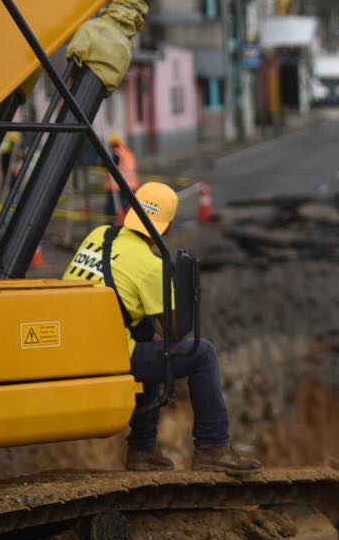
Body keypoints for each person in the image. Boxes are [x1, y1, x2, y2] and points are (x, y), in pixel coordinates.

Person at [63, 181, 261, 475]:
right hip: (107, 354)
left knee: (146, 339)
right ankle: (212, 447)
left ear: (130, 212)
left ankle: (143, 449)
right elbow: (176, 332)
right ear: (166, 227)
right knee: (202, 353)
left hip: (69, 341)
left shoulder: (99, 234)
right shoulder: (149, 266)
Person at [104, 133, 138, 220]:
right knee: (128, 209)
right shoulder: (127, 152)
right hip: (130, 186)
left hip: (117, 187)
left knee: (112, 212)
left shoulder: (115, 154)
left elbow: (106, 165)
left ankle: (112, 226)